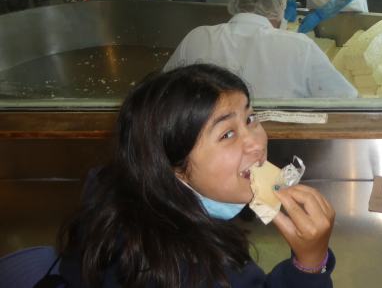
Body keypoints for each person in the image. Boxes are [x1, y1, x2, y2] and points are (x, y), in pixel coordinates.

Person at [48, 64, 336, 287]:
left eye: (250, 119)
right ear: (175, 166)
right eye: (227, 134)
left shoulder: (114, 187)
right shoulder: (205, 274)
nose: (256, 144)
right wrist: (310, 264)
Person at [164, 0, 357, 99]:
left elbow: (162, 92)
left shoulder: (197, 37)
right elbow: (347, 100)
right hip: (286, 145)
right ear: (280, 7)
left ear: (236, 1)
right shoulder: (299, 47)